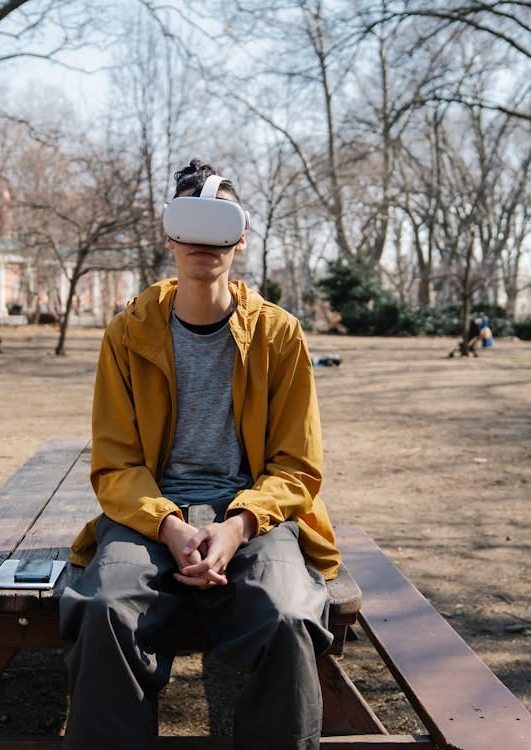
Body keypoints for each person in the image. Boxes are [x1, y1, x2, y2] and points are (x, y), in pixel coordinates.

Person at [60, 159, 342, 750]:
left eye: (220, 225)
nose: (202, 241)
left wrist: (239, 526)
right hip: (148, 513)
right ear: (169, 234)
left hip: (253, 513)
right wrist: (167, 525)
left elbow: (297, 466)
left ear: (241, 236)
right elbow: (115, 464)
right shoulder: (127, 334)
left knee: (289, 618)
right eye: (189, 223)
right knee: (105, 609)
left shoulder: (280, 335)